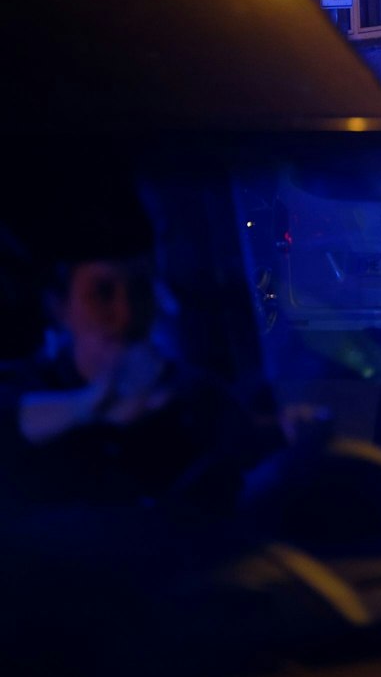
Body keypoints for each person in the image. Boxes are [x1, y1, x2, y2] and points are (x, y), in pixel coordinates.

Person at [0, 187, 265, 513]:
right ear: (58, 306)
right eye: (102, 292)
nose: (126, 314)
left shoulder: (199, 395)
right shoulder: (25, 391)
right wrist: (87, 406)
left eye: (140, 290)